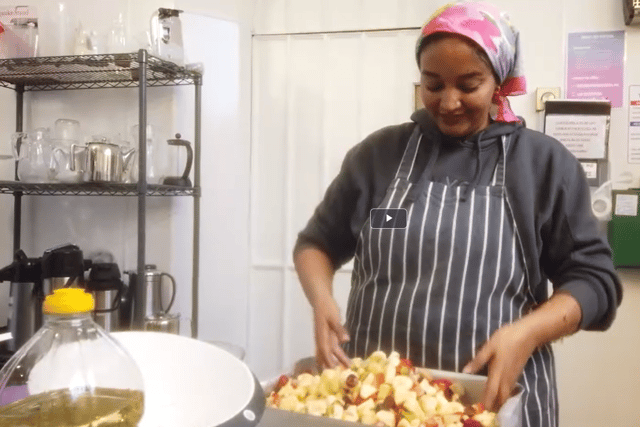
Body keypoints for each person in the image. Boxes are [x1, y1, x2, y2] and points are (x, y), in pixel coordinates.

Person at [292, 2, 622, 426]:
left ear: (498, 81)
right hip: (378, 405)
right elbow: (316, 244)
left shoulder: (543, 165)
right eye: (433, 85)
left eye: (469, 85)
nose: (448, 102)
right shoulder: (378, 155)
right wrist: (321, 301)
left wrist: (526, 332)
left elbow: (595, 281)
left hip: (492, 403)